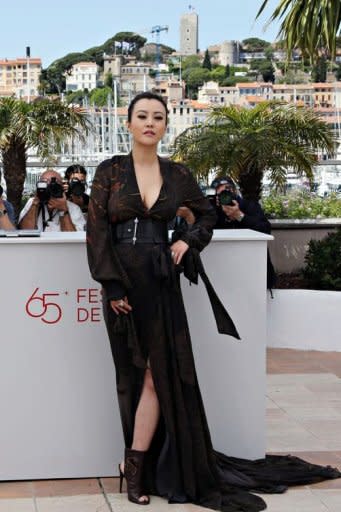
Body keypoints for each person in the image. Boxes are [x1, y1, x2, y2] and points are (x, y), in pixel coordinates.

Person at [86, 92, 340, 511]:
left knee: (158, 375)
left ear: (166, 126)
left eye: (158, 117)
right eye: (142, 116)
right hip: (123, 284)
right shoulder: (109, 170)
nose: (150, 123)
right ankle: (139, 467)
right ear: (128, 123)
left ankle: (136, 468)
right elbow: (97, 232)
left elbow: (206, 215)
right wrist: (112, 286)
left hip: (161, 280)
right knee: (130, 377)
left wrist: (187, 240)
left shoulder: (178, 174)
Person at [210, 176, 276, 290]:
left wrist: (239, 216)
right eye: (220, 193)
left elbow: (265, 230)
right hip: (224, 275)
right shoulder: (212, 211)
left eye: (227, 191)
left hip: (254, 272)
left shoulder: (249, 206)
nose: (225, 196)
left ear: (234, 191)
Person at [18, 169, 85, 232]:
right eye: (45, 182)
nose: (49, 188)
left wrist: (64, 210)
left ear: (61, 187)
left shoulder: (73, 208)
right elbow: (25, 232)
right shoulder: (32, 203)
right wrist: (35, 204)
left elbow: (73, 240)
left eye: (54, 184)